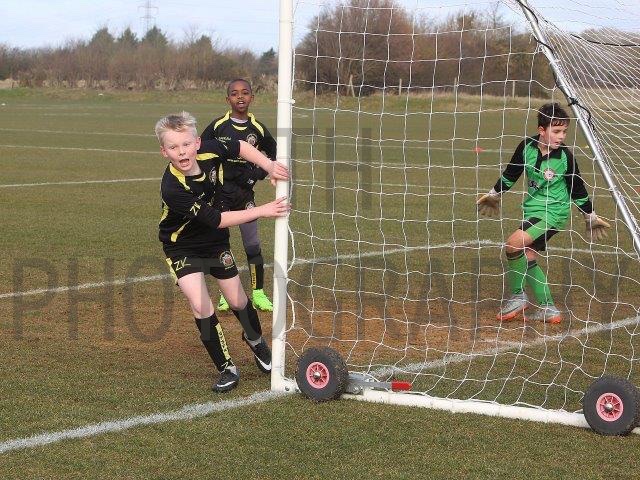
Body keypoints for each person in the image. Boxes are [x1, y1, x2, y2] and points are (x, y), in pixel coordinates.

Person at [156, 111, 289, 392]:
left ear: (197, 143)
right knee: (201, 305)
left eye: (186, 144)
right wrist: (262, 210)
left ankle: (255, 341)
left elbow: (239, 146)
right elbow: (216, 218)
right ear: (164, 152)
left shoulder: (210, 149)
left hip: (215, 242)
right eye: (173, 147)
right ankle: (226, 367)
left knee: (237, 300)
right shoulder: (172, 188)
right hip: (181, 246)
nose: (181, 151)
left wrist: (269, 166)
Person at [476, 103, 610, 324]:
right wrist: (494, 194)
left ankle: (518, 297)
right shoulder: (526, 147)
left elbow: (577, 189)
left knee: (512, 244)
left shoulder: (565, 157)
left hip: (553, 213)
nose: (561, 136)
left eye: (564, 131)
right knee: (527, 255)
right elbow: (511, 174)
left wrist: (590, 216)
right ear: (541, 129)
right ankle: (549, 309)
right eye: (556, 131)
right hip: (533, 211)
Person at [200, 79, 278, 313]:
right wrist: (209, 179)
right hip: (220, 196)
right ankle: (227, 294)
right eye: (234, 94)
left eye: (245, 93)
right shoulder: (218, 126)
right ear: (228, 99)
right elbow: (201, 151)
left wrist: (257, 174)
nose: (240, 97)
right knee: (221, 245)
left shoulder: (258, 129)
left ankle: (258, 293)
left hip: (245, 196)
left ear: (252, 97)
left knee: (252, 245)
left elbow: (274, 154)